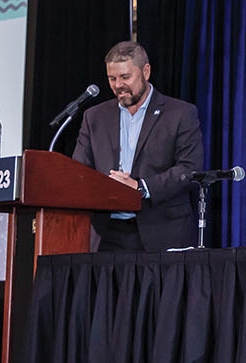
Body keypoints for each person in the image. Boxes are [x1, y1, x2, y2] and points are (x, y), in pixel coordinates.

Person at [73, 40, 203, 251]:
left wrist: (141, 188)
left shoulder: (180, 113)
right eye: (112, 78)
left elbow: (189, 169)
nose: (118, 85)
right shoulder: (94, 117)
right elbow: (79, 171)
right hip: (106, 234)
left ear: (146, 71)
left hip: (162, 233)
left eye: (125, 77)